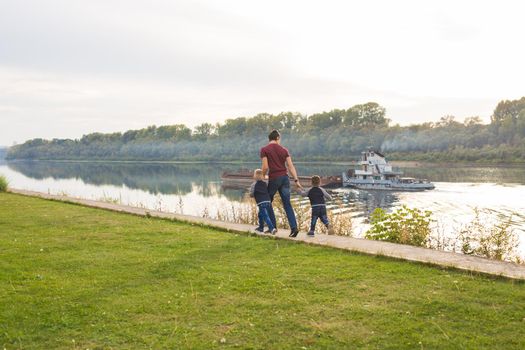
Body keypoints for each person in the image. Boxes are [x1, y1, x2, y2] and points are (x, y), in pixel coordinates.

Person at [260, 129, 302, 237]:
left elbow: (265, 167)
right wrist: (296, 180)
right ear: (277, 138)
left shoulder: (264, 149)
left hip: (274, 178)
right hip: (285, 178)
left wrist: (262, 177)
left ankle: (272, 227)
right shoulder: (284, 150)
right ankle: (294, 228)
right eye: (280, 139)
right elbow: (290, 166)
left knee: (268, 202)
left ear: (269, 139)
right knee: (287, 204)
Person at [249, 169, 277, 234]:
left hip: (261, 203)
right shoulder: (265, 183)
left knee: (265, 216)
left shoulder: (253, 185)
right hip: (268, 201)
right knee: (260, 215)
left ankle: (272, 228)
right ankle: (261, 228)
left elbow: (251, 194)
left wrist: (253, 194)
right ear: (262, 176)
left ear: (254, 176)